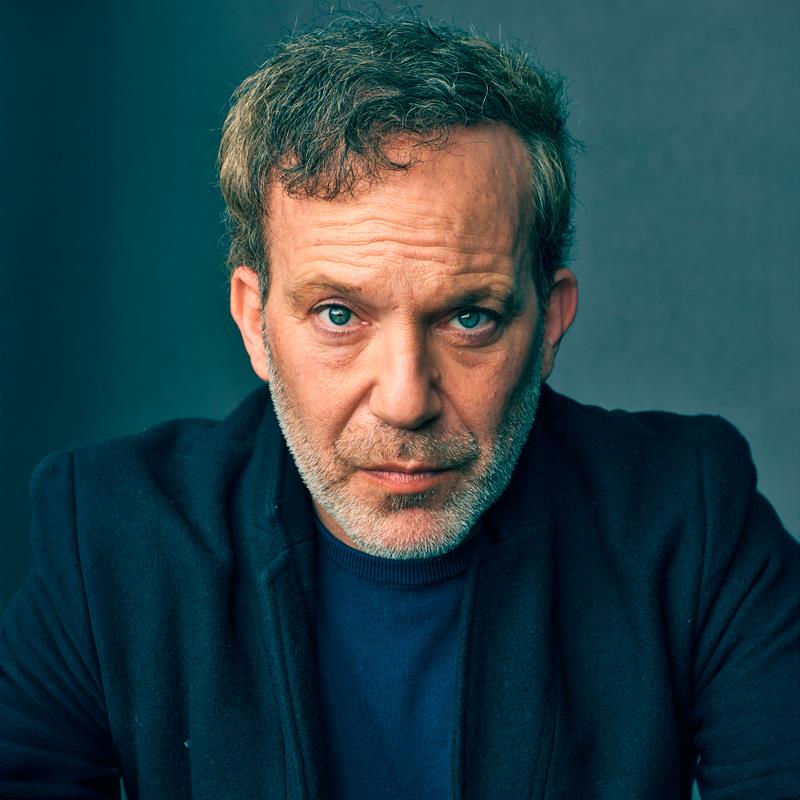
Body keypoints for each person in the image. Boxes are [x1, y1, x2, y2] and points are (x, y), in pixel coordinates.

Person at [1, 13, 798, 800]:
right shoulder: (111, 538)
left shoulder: (690, 521)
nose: (406, 401)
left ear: (549, 321)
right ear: (254, 321)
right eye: (339, 315)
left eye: (469, 317)